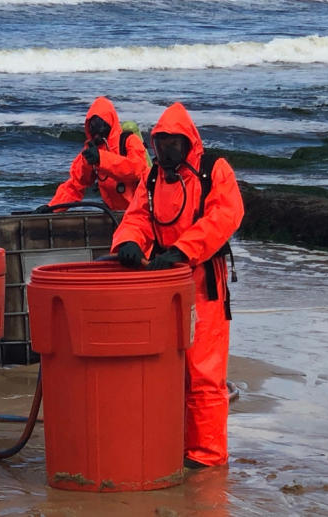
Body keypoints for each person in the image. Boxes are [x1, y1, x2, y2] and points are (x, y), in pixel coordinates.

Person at [110, 102, 244, 469]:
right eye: (160, 142)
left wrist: (184, 250)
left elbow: (225, 216)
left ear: (188, 142)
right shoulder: (153, 178)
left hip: (203, 284)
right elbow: (138, 215)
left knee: (204, 373)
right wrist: (129, 242)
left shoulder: (213, 170)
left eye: (172, 143)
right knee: (165, 372)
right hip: (162, 284)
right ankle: (174, 446)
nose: (165, 149)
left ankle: (207, 456)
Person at [36, 97, 150, 213]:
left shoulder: (129, 141)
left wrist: (102, 159)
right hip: (115, 213)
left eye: (100, 123)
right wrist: (52, 207)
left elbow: (137, 169)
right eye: (92, 125)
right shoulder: (91, 151)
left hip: (142, 211)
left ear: (110, 122)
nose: (96, 130)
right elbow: (76, 184)